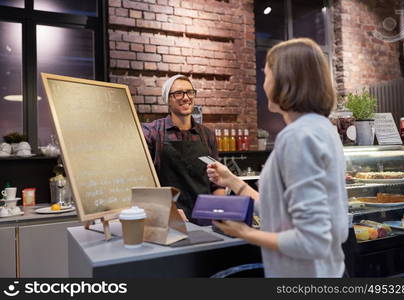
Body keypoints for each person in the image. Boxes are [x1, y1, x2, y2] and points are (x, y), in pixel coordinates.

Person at [207, 38, 348, 277]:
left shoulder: (298, 137)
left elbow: (313, 241)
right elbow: (278, 210)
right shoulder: (321, 128)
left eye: (266, 75)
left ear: (285, 80)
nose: (264, 85)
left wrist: (244, 233)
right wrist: (233, 181)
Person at [142, 74, 224, 223]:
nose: (186, 98)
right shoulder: (152, 132)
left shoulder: (207, 134)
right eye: (178, 93)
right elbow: (144, 182)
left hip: (205, 219)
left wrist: (220, 212)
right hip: (169, 218)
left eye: (190, 92)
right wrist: (167, 209)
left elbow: (216, 182)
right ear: (167, 99)